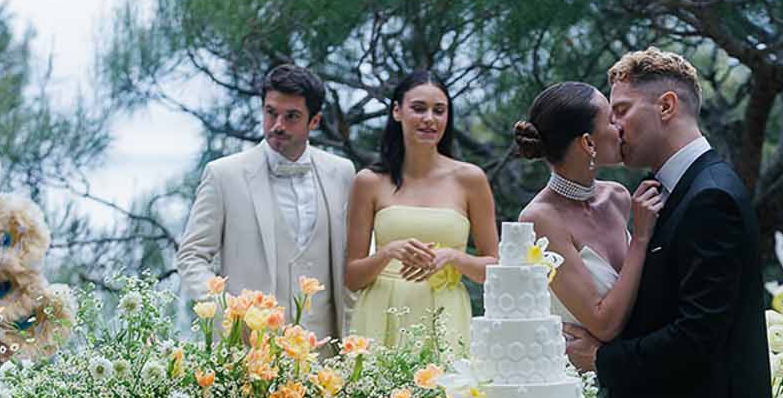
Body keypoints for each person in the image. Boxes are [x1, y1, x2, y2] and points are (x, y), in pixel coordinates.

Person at [563, 49, 772, 398]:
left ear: (666, 106)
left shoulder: (710, 197)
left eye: (620, 110)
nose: (611, 127)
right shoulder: (673, 191)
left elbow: (697, 336)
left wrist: (602, 359)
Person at [176, 63, 355, 341]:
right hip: (251, 356)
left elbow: (352, 259)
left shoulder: (342, 173)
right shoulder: (224, 175)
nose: (278, 126)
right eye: (271, 113)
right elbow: (191, 256)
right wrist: (229, 313)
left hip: (327, 356)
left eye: (292, 116)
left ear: (315, 121)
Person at [344, 70, 498, 356]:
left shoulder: (471, 179)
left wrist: (454, 257)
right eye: (418, 108)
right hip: (380, 315)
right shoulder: (368, 182)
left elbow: (495, 269)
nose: (429, 118)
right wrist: (388, 251)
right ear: (397, 111)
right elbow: (352, 277)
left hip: (446, 314)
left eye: (439, 111)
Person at [513, 82, 662, 347]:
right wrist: (640, 238)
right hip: (579, 382)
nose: (621, 125)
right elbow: (604, 324)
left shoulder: (618, 197)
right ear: (588, 143)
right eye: (610, 119)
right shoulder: (539, 219)